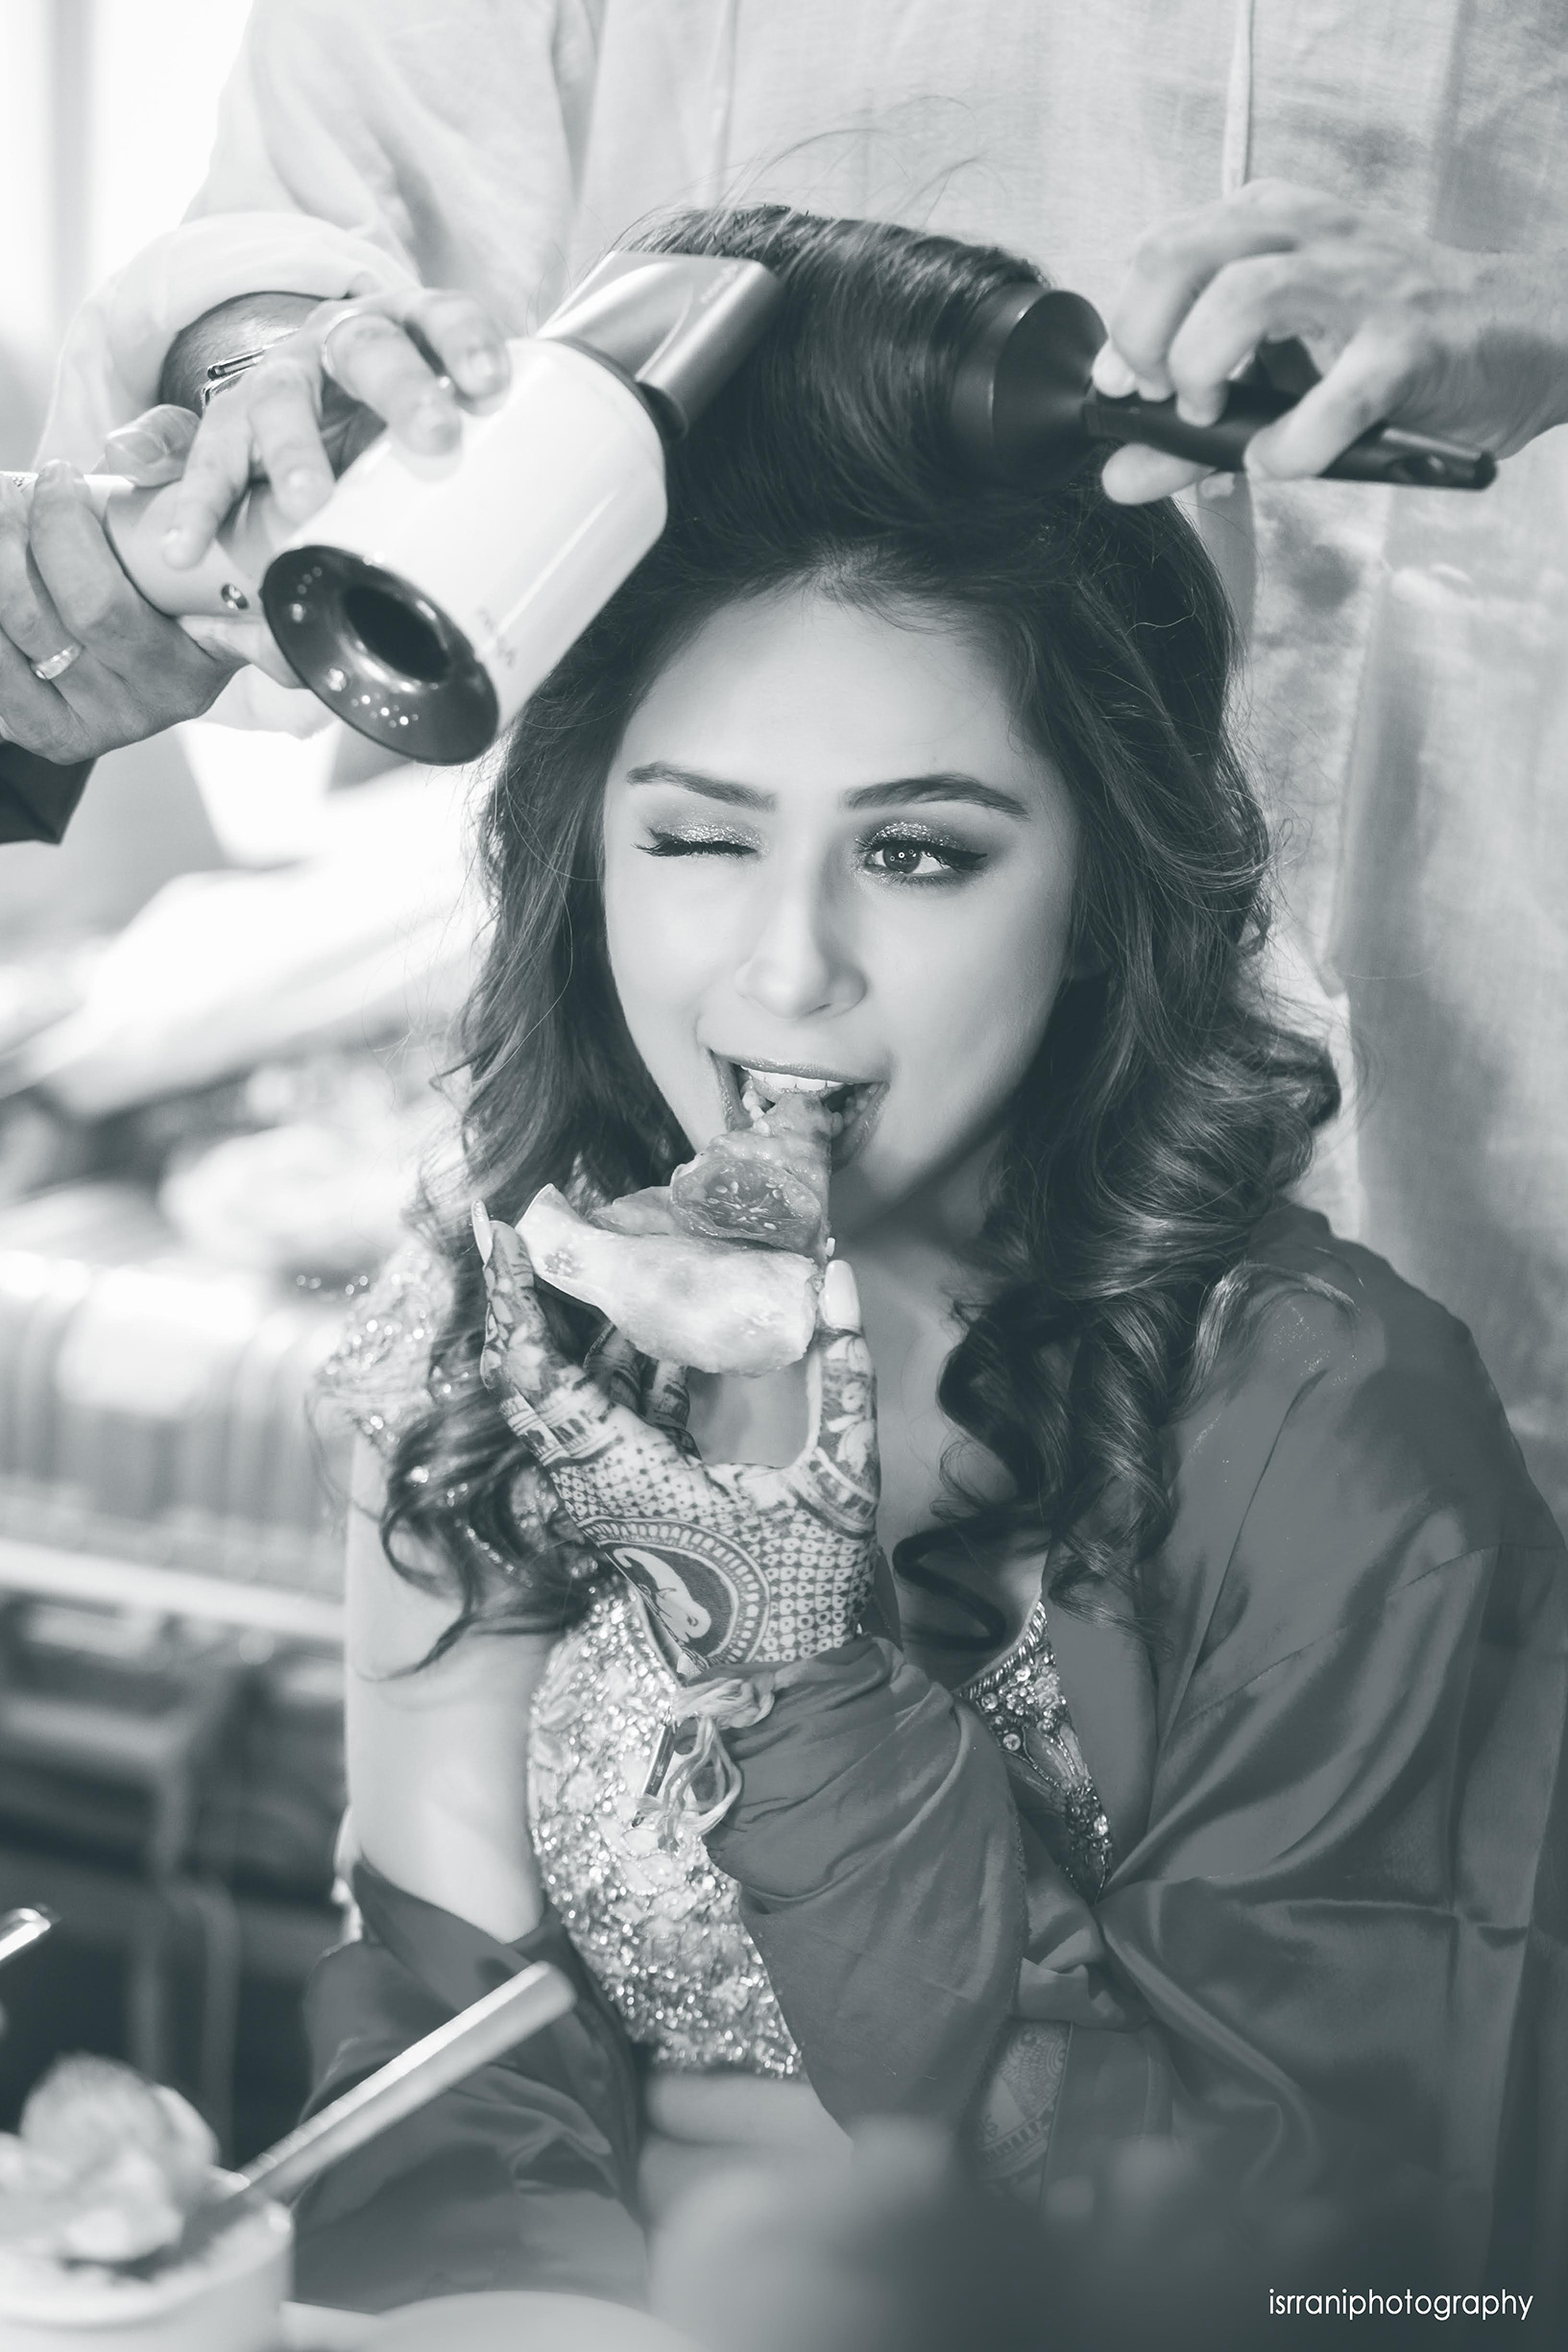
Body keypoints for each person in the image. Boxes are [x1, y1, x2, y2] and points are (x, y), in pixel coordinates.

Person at [301, 206, 1567, 2325]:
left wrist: (796, 1656)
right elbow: (444, 2068)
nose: (787, 971)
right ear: (577, 851)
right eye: (698, 834)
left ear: (1096, 896)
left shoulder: (1329, 1420)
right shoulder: (482, 1327)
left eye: (916, 851)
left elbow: (1308, 2254)